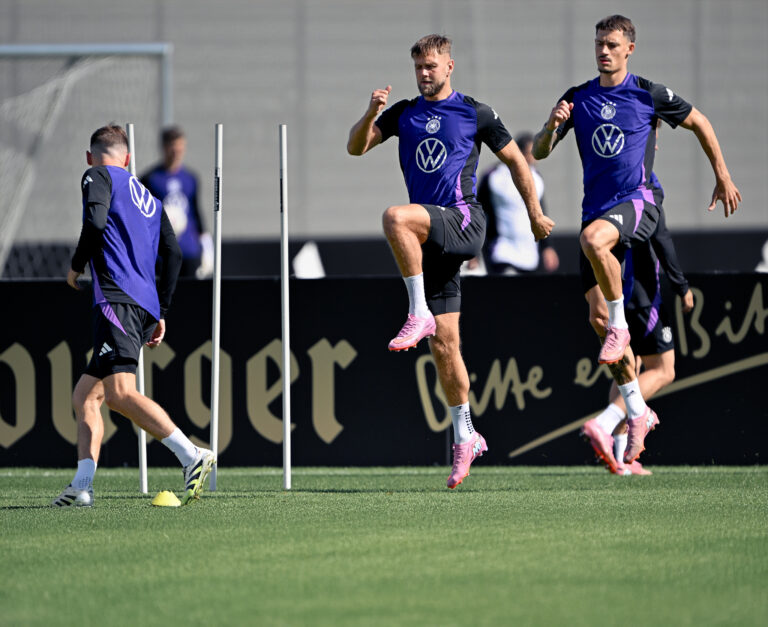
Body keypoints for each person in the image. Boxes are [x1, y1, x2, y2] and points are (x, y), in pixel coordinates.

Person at [532, 14, 741, 465]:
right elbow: (541, 152)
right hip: (597, 212)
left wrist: (722, 175)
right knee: (597, 321)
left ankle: (621, 334)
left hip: (638, 202)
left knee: (594, 243)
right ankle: (635, 411)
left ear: (630, 48)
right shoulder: (578, 97)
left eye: (611, 44)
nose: (603, 51)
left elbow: (700, 121)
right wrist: (552, 125)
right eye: (598, 44)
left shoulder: (648, 93)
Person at [347, 34, 553, 488]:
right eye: (418, 66)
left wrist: (535, 213)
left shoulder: (475, 112)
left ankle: (416, 310)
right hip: (432, 239)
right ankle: (466, 435)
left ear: (450, 67)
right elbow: (356, 148)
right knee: (445, 345)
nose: (424, 73)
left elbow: (519, 163)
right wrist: (370, 115)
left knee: (394, 217)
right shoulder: (403, 113)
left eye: (432, 66)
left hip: (463, 222)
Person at [53, 125, 215, 507]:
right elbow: (173, 255)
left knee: (119, 393)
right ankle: (82, 486)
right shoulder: (149, 196)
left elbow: (94, 224)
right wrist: (162, 309)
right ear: (128, 158)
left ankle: (191, 454)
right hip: (141, 305)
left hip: (114, 299)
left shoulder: (97, 175)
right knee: (85, 396)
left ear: (91, 157)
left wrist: (76, 267)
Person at [582, 177, 694, 475]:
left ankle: (621, 458)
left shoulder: (604, 186)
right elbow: (662, 240)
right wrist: (682, 286)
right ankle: (605, 424)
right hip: (643, 294)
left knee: (630, 369)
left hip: (614, 291)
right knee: (664, 369)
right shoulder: (645, 188)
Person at [478, 132, 559, 275]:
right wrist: (476, 251)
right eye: (530, 153)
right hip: (501, 251)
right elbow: (478, 213)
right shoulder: (494, 176)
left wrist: (547, 247)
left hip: (530, 253)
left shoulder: (536, 177)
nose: (534, 158)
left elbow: (541, 212)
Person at [141, 126, 212, 279]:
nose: (176, 153)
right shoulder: (149, 179)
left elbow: (196, 211)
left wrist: (206, 245)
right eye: (172, 148)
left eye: (180, 148)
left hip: (189, 252)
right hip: (162, 254)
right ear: (164, 148)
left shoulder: (191, 178)